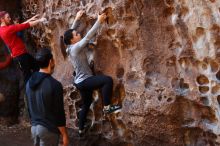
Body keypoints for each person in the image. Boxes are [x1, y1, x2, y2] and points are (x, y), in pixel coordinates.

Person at [63, 10, 121, 136]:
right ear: (73, 40)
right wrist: (99, 22)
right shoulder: (76, 48)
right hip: (84, 81)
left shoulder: (69, 47)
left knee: (86, 103)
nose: (78, 34)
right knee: (107, 80)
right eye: (76, 34)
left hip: (79, 81)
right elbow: (88, 36)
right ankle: (107, 108)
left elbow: (67, 35)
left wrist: (77, 19)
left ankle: (80, 129)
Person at [26, 48, 69, 146]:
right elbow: (59, 113)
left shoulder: (29, 83)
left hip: (34, 129)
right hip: (48, 130)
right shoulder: (54, 84)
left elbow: (29, 107)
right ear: (51, 61)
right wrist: (64, 134)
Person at [0, 11, 46, 83]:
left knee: (36, 67)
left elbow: (18, 26)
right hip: (20, 56)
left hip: (22, 54)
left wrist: (31, 19)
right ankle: (32, 92)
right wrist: (40, 20)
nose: (10, 19)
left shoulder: (2, 29)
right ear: (2, 19)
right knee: (27, 76)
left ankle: (41, 84)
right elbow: (25, 26)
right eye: (8, 17)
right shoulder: (7, 30)